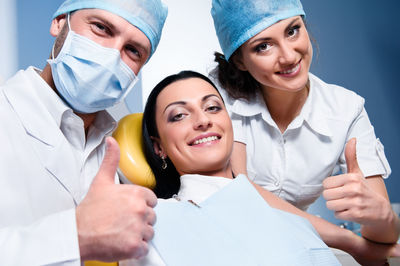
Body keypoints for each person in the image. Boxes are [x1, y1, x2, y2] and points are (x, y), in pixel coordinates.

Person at [134, 71, 399, 265]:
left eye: (213, 107)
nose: (203, 120)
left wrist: (367, 233)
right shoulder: (155, 223)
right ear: (159, 147)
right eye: (179, 115)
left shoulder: (293, 221)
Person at [210, 0, 399, 245]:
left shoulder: (346, 110)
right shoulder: (214, 100)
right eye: (264, 46)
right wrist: (346, 240)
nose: (289, 56)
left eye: (292, 31)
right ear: (239, 60)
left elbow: (384, 239)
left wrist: (379, 215)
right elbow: (241, 199)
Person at [0, 0, 167, 264]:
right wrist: (75, 238)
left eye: (133, 51)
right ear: (59, 23)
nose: (112, 56)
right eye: (101, 28)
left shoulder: (127, 152)